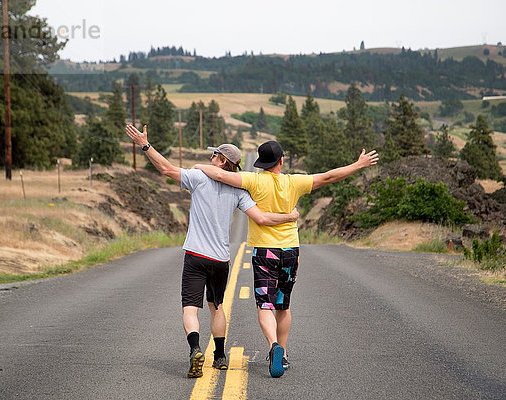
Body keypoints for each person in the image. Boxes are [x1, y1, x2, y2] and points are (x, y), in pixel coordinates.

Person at [125, 126, 299, 379]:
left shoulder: (198, 178)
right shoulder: (239, 191)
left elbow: (166, 168)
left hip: (196, 255)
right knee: (217, 306)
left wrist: (145, 145)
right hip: (221, 259)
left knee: (190, 307)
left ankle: (196, 349)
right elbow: (261, 218)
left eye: (214, 155)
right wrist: (290, 216)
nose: (210, 158)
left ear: (222, 160)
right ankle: (219, 356)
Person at [194, 140, 379, 378]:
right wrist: (358, 165)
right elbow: (329, 177)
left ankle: (273, 345)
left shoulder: (254, 180)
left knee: (265, 305)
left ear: (261, 163)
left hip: (264, 251)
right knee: (283, 305)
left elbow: (219, 175)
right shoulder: (295, 182)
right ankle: (285, 351)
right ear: (281, 160)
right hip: (290, 250)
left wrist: (199, 165)